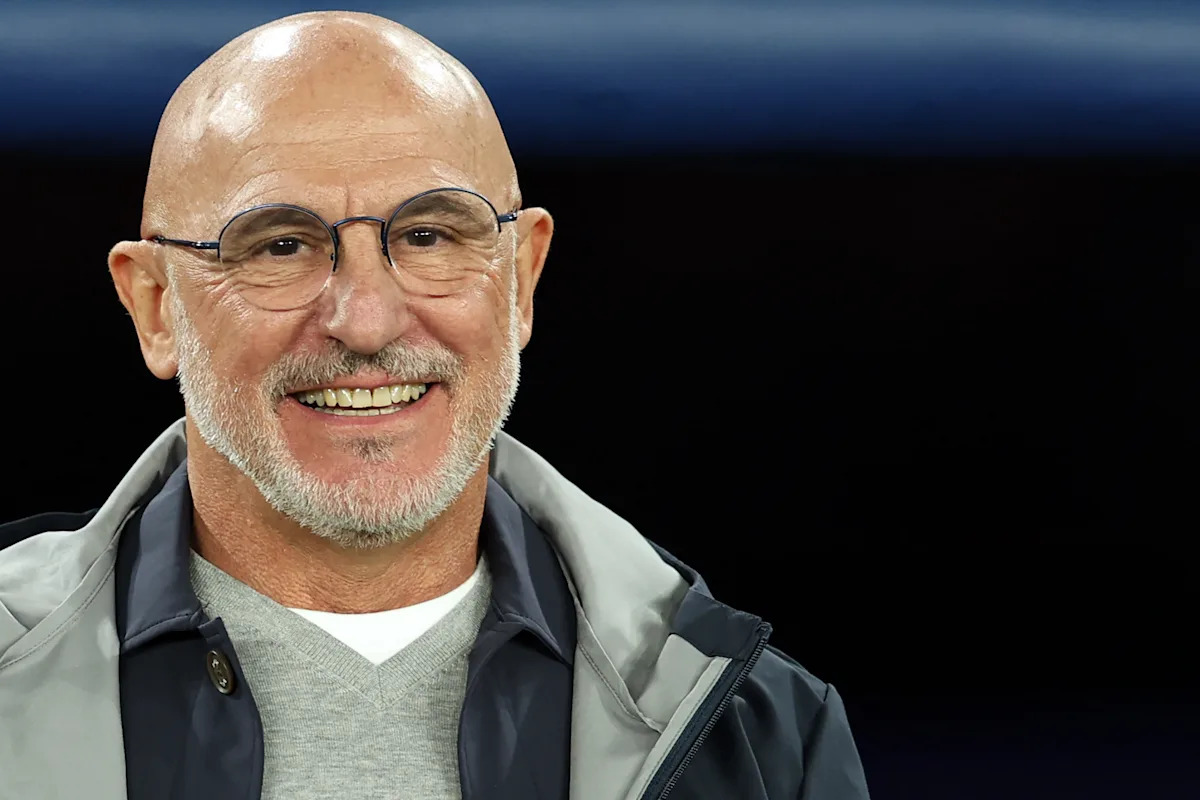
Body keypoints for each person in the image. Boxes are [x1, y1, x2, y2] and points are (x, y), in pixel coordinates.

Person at [0, 11, 869, 800]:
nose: (366, 321)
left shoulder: (759, 733)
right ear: (156, 306)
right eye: (281, 245)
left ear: (521, 278)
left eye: (428, 235)